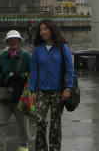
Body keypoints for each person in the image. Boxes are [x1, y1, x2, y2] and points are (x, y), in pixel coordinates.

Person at [29, 20, 75, 151]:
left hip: (58, 92)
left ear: (52, 30)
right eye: (41, 29)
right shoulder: (37, 49)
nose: (42, 32)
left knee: (55, 124)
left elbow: (70, 69)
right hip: (41, 92)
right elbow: (34, 71)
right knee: (39, 121)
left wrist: (68, 87)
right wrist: (32, 90)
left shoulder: (62, 47)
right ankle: (41, 148)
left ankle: (55, 148)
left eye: (45, 29)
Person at [0, 30, 32, 151]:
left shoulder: (26, 56)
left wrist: (22, 76)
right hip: (5, 95)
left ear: (19, 42)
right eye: (10, 40)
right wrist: (2, 78)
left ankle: (24, 145)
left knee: (23, 123)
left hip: (21, 95)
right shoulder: (3, 56)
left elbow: (32, 73)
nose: (13, 42)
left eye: (15, 40)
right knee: (1, 122)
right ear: (7, 42)